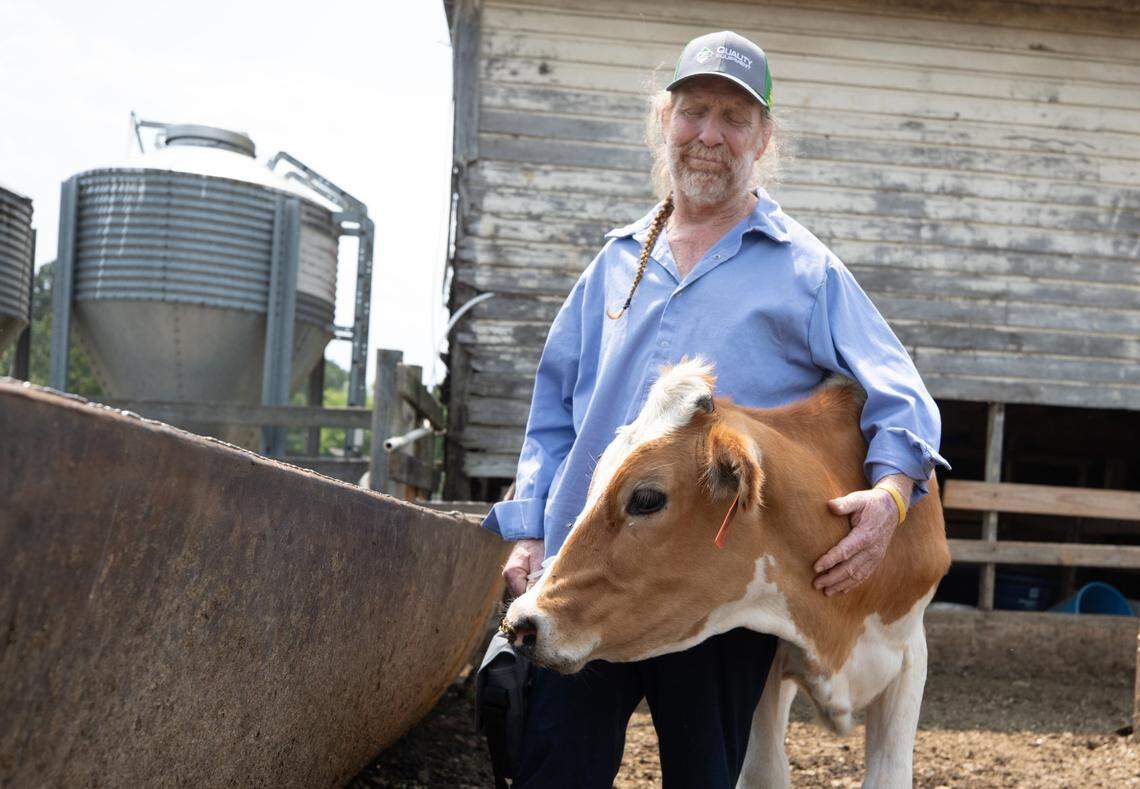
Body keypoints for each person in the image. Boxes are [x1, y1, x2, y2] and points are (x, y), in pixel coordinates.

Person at [480, 30, 949, 788]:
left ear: (763, 139)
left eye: (735, 118)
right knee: (554, 770)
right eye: (695, 111)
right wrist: (531, 532)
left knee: (707, 778)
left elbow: (902, 396)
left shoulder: (805, 270)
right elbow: (553, 418)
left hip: (714, 597)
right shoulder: (612, 263)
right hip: (591, 571)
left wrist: (892, 496)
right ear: (665, 120)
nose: (710, 136)